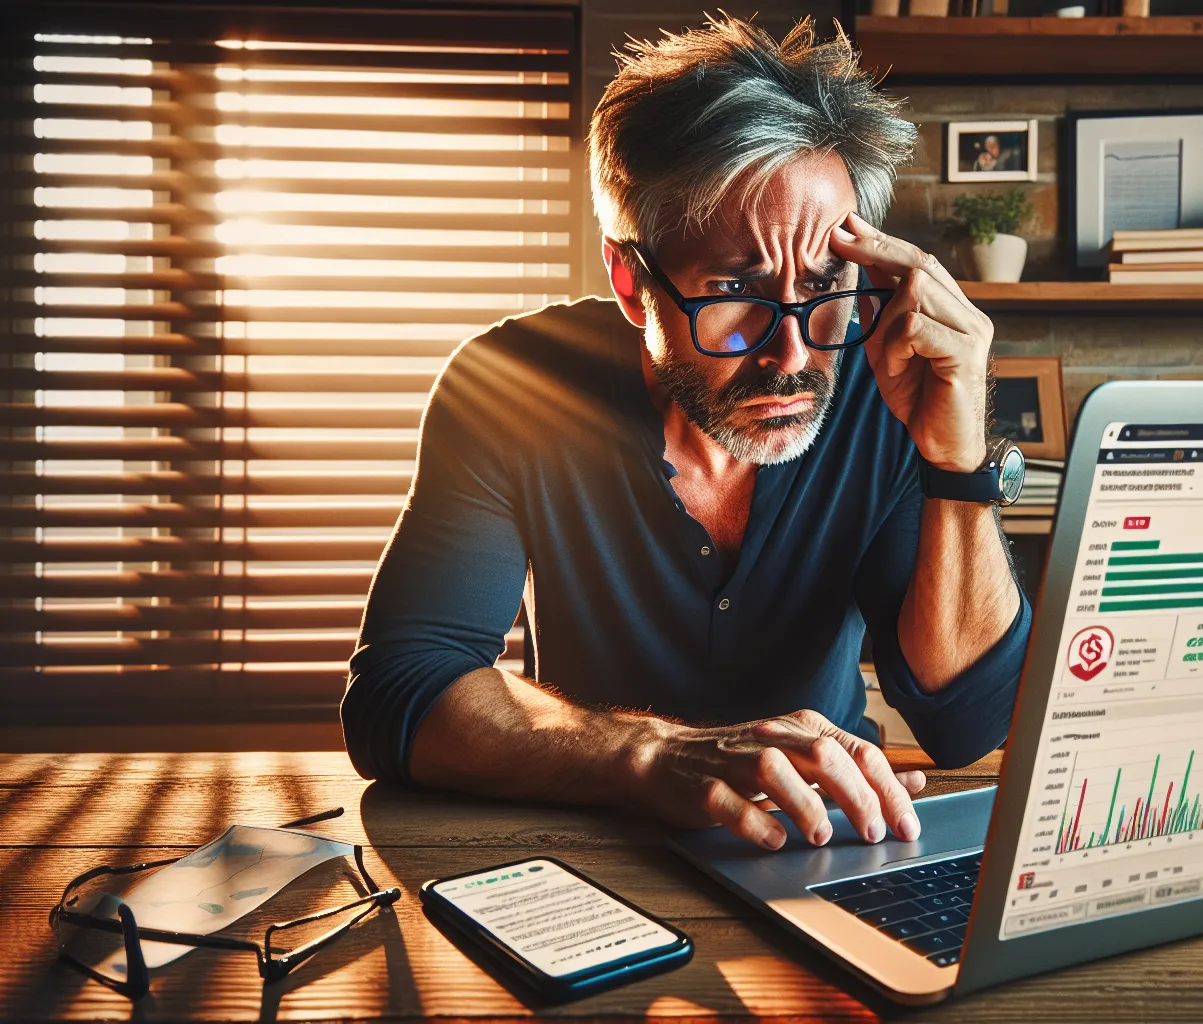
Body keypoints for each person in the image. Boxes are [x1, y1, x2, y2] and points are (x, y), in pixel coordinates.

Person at [341, 16, 1031, 853]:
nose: (793, 354)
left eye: (824, 286)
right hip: (590, 848)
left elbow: (963, 724)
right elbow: (402, 692)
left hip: (832, 842)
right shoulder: (511, 384)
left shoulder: (886, 385)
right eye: (735, 289)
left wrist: (957, 465)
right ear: (633, 284)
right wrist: (645, 754)